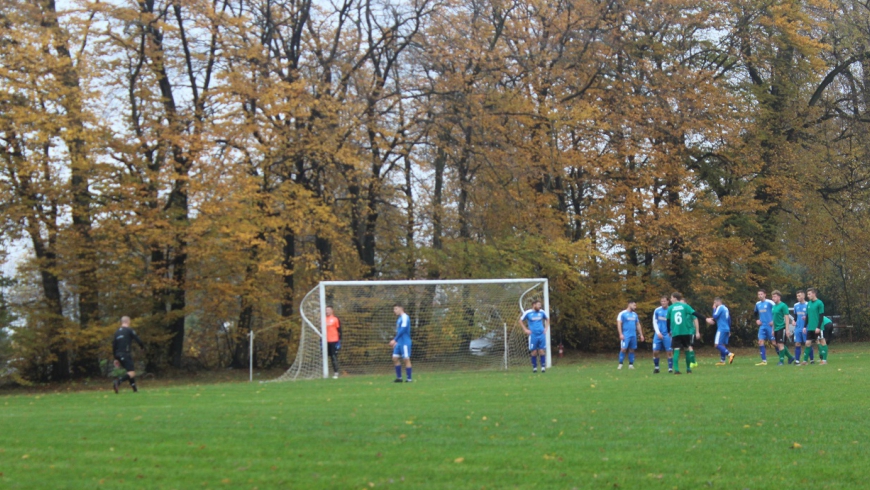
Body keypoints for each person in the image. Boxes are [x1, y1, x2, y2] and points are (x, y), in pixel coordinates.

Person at [667, 292, 701, 374]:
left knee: (676, 350)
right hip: (685, 331)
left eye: (671, 298)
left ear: (675, 298)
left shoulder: (670, 308)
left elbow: (667, 321)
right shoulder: (685, 306)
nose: (670, 299)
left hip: (676, 331)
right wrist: (705, 318)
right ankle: (688, 369)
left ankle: (677, 370)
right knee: (687, 349)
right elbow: (695, 314)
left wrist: (669, 331)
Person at [112, 316, 144, 393]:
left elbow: (114, 345)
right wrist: (142, 347)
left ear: (121, 322)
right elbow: (138, 339)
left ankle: (134, 389)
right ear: (128, 321)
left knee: (129, 371)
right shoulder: (129, 330)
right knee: (132, 373)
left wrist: (115, 358)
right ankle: (118, 381)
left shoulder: (117, 332)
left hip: (118, 354)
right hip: (125, 353)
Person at [520, 300, 549, 373]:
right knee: (534, 351)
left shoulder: (542, 312)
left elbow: (547, 319)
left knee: (542, 351)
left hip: (541, 334)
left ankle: (543, 367)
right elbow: (520, 321)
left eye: (540, 305)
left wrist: (546, 328)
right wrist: (525, 329)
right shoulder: (528, 313)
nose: (540, 306)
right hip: (533, 335)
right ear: (534, 305)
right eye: (538, 305)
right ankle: (535, 368)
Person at [803, 288, 828, 365]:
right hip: (810, 327)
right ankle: (805, 361)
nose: (808, 296)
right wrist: (804, 326)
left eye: (809, 294)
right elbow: (807, 316)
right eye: (807, 294)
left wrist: (818, 327)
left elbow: (821, 316)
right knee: (807, 343)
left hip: (818, 327)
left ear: (814, 294)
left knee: (822, 342)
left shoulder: (820, 303)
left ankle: (824, 360)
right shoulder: (809, 304)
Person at [706, 297, 735, 366]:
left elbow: (715, 316)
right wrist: (729, 329)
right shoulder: (726, 308)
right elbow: (729, 319)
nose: (714, 304)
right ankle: (722, 361)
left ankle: (730, 354)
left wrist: (714, 308)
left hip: (721, 328)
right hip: (726, 328)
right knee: (722, 344)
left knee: (717, 345)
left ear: (717, 302)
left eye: (715, 303)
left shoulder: (720, 307)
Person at [616, 301, 644, 370]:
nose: (635, 307)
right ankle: (620, 364)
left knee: (632, 349)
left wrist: (641, 334)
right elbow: (619, 323)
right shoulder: (622, 313)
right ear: (629, 304)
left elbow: (637, 324)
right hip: (626, 335)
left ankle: (631, 365)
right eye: (634, 305)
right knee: (623, 349)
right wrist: (620, 334)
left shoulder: (635, 314)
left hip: (633, 335)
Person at [771, 291, 795, 365]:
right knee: (778, 344)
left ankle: (781, 361)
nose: (773, 298)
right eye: (772, 297)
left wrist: (787, 329)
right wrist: (773, 329)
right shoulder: (774, 306)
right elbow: (774, 319)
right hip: (776, 328)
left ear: (779, 297)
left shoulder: (783, 305)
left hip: (782, 327)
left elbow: (787, 318)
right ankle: (790, 357)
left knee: (780, 344)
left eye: (775, 296)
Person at [390, 304, 413, 382]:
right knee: (395, 358)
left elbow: (403, 330)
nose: (394, 310)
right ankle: (399, 378)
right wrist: (397, 342)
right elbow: (399, 331)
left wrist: (395, 340)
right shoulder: (399, 318)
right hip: (399, 342)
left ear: (401, 308)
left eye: (396, 309)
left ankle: (409, 379)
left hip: (405, 342)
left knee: (406, 359)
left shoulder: (405, 317)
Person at [652, 296, 673, 374]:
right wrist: (658, 332)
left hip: (668, 334)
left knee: (669, 352)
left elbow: (673, 323)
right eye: (662, 301)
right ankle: (656, 367)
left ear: (668, 301)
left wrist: (671, 333)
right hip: (658, 334)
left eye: (664, 301)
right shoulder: (657, 310)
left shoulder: (671, 310)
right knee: (655, 351)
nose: (663, 303)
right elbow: (654, 322)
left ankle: (670, 369)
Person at [754, 289, 775, 366]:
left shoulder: (770, 302)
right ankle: (764, 360)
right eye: (759, 294)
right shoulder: (757, 304)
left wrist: (774, 321)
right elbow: (755, 313)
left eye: (761, 294)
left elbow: (777, 311)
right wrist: (757, 320)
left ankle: (783, 357)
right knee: (760, 341)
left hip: (770, 326)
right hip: (762, 326)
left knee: (774, 343)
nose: (760, 296)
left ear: (765, 294)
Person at [793, 290, 809, 366]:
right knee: (797, 343)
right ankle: (797, 360)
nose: (798, 297)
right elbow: (795, 316)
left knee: (807, 343)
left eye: (799, 296)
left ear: (803, 296)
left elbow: (811, 316)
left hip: (806, 327)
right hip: (798, 327)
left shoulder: (808, 304)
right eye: (797, 296)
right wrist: (794, 321)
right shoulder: (796, 305)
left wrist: (807, 318)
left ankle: (811, 360)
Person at [325, 306, 341, 379]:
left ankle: (336, 372)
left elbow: (339, 330)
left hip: (334, 340)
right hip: (325, 341)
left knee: (333, 356)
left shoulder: (335, 319)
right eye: (326, 310)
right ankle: (324, 373)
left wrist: (339, 341)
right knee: (324, 356)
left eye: (328, 310)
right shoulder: (323, 319)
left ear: (332, 311)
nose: (327, 311)